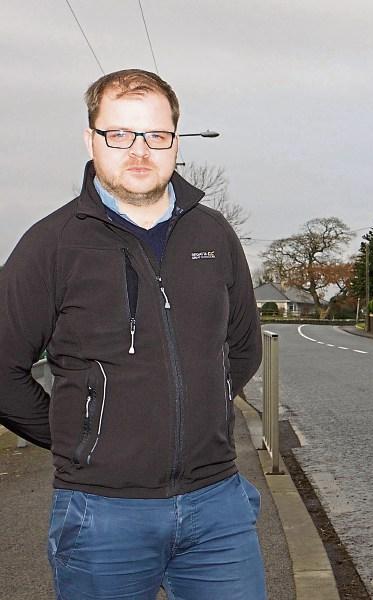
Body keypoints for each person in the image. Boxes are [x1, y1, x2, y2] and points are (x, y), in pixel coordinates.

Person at [0, 69, 266, 599]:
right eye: (118, 134)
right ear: (91, 139)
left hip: (218, 509)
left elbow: (243, 346)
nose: (138, 150)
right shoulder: (51, 244)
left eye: (156, 136)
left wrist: (204, 415)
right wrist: (81, 438)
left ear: (174, 141)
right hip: (102, 516)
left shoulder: (213, 233)